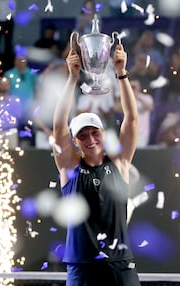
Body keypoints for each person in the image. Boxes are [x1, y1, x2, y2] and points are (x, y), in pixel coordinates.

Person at [52, 44, 141, 285]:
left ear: (103, 133)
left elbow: (132, 119)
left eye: (95, 132)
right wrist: (72, 78)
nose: (90, 139)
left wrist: (121, 73)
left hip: (120, 266)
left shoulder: (120, 162)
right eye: (83, 135)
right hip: (83, 267)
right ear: (75, 141)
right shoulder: (69, 167)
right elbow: (59, 127)